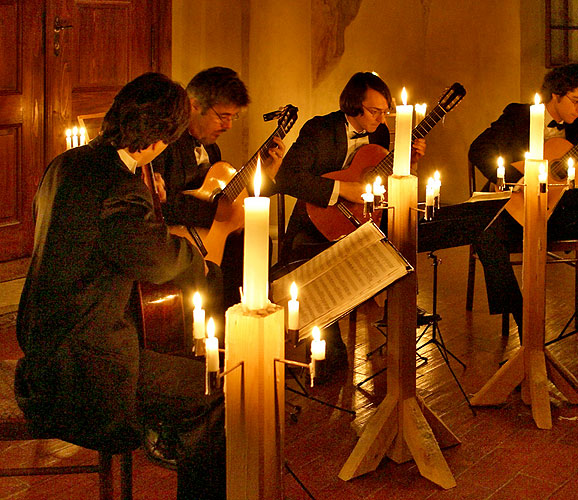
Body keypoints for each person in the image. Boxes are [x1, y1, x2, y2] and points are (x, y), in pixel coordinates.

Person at [14, 72, 234, 499]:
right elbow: (159, 262)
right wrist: (203, 260)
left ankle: (168, 433)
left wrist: (148, 200)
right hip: (83, 370)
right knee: (214, 388)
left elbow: (95, 239)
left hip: (41, 345)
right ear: (162, 138)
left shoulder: (68, 163)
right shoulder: (119, 186)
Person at [468, 63, 578, 331]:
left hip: (554, 212)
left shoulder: (575, 130)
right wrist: (517, 180)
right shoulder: (518, 115)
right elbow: (478, 149)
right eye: (576, 102)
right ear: (556, 94)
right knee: (484, 233)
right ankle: (520, 312)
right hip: (516, 207)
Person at [275, 71, 426, 369]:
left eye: (385, 112)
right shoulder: (320, 130)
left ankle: (398, 321)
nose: (381, 120)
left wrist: (409, 162)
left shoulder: (379, 133)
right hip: (314, 222)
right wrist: (344, 189)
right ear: (353, 104)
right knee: (321, 263)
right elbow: (287, 178)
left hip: (361, 222)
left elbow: (379, 174)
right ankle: (327, 344)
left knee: (402, 239)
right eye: (374, 111)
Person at [153, 66, 285, 312]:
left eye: (233, 117)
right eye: (222, 116)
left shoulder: (212, 149)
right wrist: (212, 212)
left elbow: (229, 203)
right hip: (177, 241)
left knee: (255, 240)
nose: (228, 126)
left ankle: (246, 318)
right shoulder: (165, 144)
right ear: (193, 105)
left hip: (210, 237)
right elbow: (159, 203)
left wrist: (264, 176)